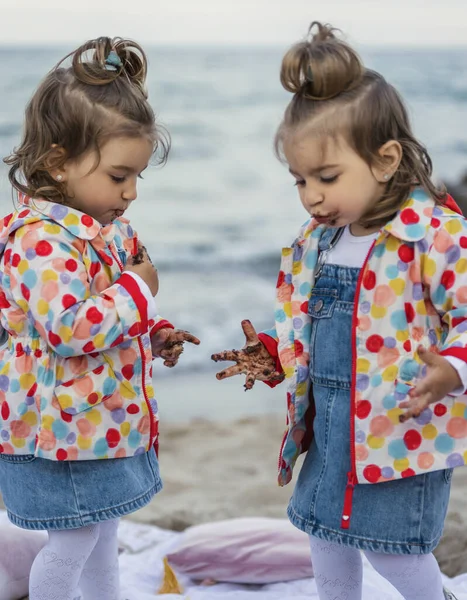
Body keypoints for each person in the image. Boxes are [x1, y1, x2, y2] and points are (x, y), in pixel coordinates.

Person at [212, 22, 464, 600]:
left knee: (394, 550)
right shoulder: (315, 241)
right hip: (330, 432)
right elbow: (308, 320)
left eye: (327, 177)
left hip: (398, 435)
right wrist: (276, 354)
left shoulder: (432, 237)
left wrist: (452, 366)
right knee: (324, 538)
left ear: (385, 159)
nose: (311, 195)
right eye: (299, 179)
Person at [0, 36, 199, 600]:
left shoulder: (107, 229)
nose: (132, 193)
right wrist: (139, 292)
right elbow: (68, 329)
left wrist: (153, 330)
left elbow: (116, 310)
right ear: (58, 162)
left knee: (100, 530)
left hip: (99, 426)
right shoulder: (39, 241)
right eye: (118, 177)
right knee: (72, 541)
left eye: (137, 177)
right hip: (60, 431)